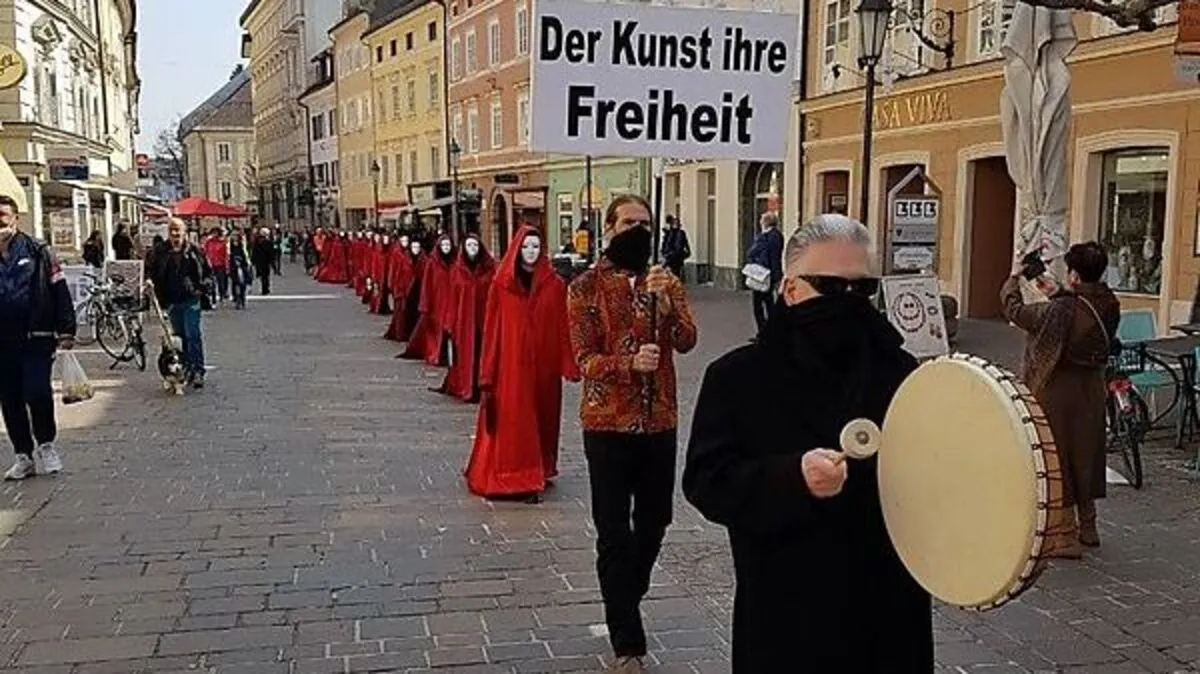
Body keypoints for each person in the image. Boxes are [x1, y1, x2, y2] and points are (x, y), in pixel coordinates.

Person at [682, 214, 933, 673]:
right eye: (832, 288)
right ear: (791, 289)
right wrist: (790, 478)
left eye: (863, 290)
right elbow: (706, 481)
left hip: (889, 611)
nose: (850, 303)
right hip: (787, 613)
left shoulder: (901, 372)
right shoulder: (737, 378)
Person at [567, 195, 697, 673]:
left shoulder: (666, 282)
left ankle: (625, 592)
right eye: (628, 223)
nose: (637, 231)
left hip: (659, 421)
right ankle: (628, 643)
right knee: (613, 532)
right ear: (609, 228)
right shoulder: (584, 287)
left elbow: (687, 340)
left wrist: (667, 302)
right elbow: (584, 361)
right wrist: (627, 364)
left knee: (656, 521)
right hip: (607, 425)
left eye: (644, 223)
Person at [1001, 242, 1120, 553]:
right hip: (1091, 387)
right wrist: (1037, 271)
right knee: (1086, 456)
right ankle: (1089, 526)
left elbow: (1016, 311)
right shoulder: (1108, 301)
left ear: (1074, 275)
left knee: (1059, 457)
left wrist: (1014, 278)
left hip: (1058, 388)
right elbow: (1068, 301)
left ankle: (1065, 533)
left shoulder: (1062, 311)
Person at [464, 226, 579, 502]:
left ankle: (540, 467)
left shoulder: (554, 285)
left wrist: (568, 362)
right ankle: (519, 478)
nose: (531, 252)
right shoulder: (502, 286)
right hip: (510, 369)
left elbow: (563, 326)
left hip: (543, 367)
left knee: (542, 419)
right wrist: (487, 373)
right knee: (517, 423)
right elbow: (491, 331)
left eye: (536, 247)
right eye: (526, 247)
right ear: (517, 249)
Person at [1, 194, 74, 481]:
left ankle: (46, 444)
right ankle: (23, 455)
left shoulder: (38, 250)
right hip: (2, 342)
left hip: (35, 336)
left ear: (15, 219)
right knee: (10, 399)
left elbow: (59, 288)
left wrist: (66, 328)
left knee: (37, 392)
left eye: (2, 216)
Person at [149, 218, 210, 388]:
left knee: (193, 334)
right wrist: (149, 284)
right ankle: (185, 368)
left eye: (178, 230)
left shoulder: (194, 251)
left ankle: (198, 370)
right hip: (171, 301)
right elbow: (151, 271)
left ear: (185, 232)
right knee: (179, 338)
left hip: (191, 299)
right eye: (172, 230)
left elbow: (207, 273)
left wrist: (201, 288)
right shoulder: (160, 251)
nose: (175, 234)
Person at [437, 234, 495, 402]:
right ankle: (466, 386)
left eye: (475, 246)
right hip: (463, 321)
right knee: (465, 354)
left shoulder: (489, 270)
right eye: (469, 246)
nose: (472, 249)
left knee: (482, 353)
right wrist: (449, 323)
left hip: (483, 320)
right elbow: (452, 298)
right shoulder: (457, 271)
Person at [400, 234, 455, 365]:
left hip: (451, 302)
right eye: (444, 245)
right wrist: (425, 304)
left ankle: (449, 356)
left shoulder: (455, 262)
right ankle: (437, 355)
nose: (446, 248)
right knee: (436, 331)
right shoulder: (432, 262)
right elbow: (427, 284)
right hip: (437, 302)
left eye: (448, 245)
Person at [745, 211, 784, 339]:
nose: (760, 222)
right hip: (773, 273)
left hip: (761, 275)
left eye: (762, 220)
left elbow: (751, 252)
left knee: (758, 305)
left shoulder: (764, 237)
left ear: (766, 222)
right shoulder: (778, 236)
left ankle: (763, 333)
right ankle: (773, 330)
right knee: (769, 303)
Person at [384, 236, 421, 342]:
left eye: (406, 241)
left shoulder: (420, 258)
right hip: (401, 288)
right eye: (403, 241)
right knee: (401, 313)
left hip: (414, 290)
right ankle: (400, 333)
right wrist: (392, 286)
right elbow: (394, 271)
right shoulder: (398, 254)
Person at [202, 227, 230, 304]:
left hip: (220, 265)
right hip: (210, 265)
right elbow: (205, 252)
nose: (214, 234)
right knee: (212, 283)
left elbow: (226, 255)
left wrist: (227, 265)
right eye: (213, 232)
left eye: (216, 232)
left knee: (221, 282)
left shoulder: (223, 242)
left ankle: (222, 296)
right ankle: (213, 299)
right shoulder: (208, 242)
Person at [660, 214, 691, 280]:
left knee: (676, 274)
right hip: (672, 257)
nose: (675, 225)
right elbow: (665, 243)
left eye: (676, 223)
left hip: (676, 257)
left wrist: (687, 252)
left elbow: (685, 243)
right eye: (674, 223)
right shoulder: (669, 233)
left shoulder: (680, 233)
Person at [228, 229, 251, 310]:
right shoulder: (229, 245)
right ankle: (237, 300)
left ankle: (243, 299)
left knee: (243, 284)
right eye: (233, 235)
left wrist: (247, 263)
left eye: (236, 235)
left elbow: (246, 254)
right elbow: (228, 255)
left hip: (242, 265)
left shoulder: (242, 244)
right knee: (236, 284)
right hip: (233, 266)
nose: (235, 237)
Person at [251, 227, 275, 295]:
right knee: (266, 276)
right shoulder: (269, 242)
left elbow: (254, 251)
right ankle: (265, 288)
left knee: (262, 276)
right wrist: (272, 262)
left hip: (259, 262)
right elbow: (271, 253)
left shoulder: (257, 241)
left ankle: (264, 288)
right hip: (265, 262)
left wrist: (253, 260)